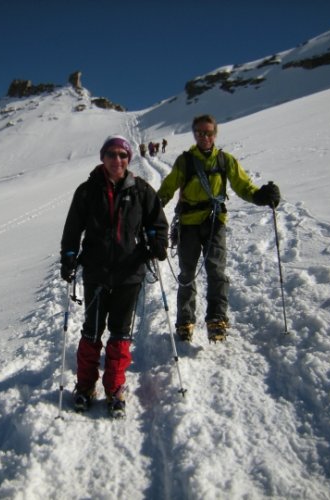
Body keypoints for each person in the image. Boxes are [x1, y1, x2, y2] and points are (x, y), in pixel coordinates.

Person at [60, 135, 168, 418]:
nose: (116, 160)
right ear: (102, 157)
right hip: (96, 272)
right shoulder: (86, 191)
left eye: (122, 155)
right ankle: (84, 386)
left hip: (129, 273)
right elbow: (73, 228)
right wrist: (69, 254)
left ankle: (115, 386)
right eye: (111, 154)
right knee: (92, 331)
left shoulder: (141, 190)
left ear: (128, 158)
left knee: (120, 333)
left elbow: (157, 222)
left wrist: (157, 241)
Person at [157, 115, 280, 343]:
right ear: (194, 134)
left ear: (215, 134)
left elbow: (243, 185)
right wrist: (151, 209)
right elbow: (168, 188)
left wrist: (261, 196)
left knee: (216, 271)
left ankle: (217, 319)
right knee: (187, 274)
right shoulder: (185, 161)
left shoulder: (225, 161)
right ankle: (185, 321)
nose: (205, 137)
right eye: (200, 133)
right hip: (188, 224)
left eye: (209, 133)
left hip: (215, 222)